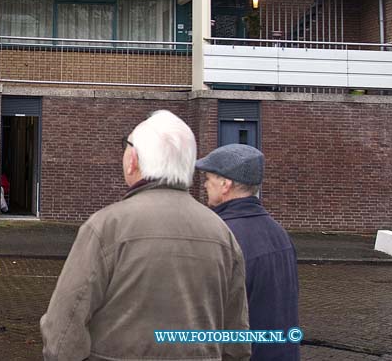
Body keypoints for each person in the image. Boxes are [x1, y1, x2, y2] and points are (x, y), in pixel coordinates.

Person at [41, 110, 250, 361]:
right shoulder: (222, 234)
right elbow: (236, 342)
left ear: (134, 160)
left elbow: (62, 334)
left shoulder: (106, 227)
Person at [197, 144, 300, 361]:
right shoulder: (279, 233)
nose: (205, 184)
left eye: (208, 178)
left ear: (226, 184)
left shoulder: (221, 238)